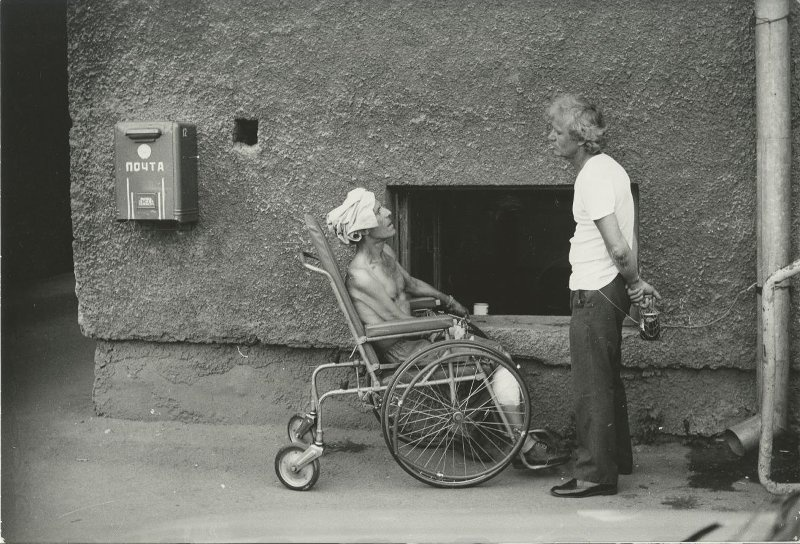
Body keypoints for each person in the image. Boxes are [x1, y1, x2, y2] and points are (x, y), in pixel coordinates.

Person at [327, 187, 568, 468]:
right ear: (365, 227)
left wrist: (448, 301)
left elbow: (412, 285)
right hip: (404, 349)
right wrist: (441, 327)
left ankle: (477, 432)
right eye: (380, 211)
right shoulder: (362, 275)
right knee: (497, 357)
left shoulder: (386, 254)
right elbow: (397, 324)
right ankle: (523, 446)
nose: (388, 213)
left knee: (487, 351)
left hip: (416, 339)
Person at [545, 95, 661, 498]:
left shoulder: (592, 177)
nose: (550, 139)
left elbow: (618, 247)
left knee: (591, 384)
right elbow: (628, 240)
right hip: (607, 287)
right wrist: (632, 282)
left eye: (556, 132)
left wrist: (634, 282)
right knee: (608, 379)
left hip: (596, 290)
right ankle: (617, 461)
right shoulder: (611, 169)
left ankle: (595, 475)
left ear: (578, 138)